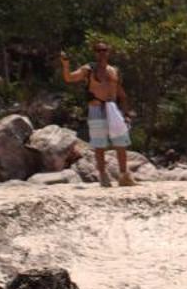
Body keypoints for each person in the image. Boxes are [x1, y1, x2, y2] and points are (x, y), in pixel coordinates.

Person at [58, 41, 136, 187]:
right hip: (96, 107)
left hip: (113, 108)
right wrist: (65, 64)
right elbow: (69, 78)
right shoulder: (89, 69)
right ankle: (103, 175)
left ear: (108, 52)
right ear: (95, 52)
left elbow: (120, 93)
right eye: (99, 50)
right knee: (99, 144)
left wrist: (126, 112)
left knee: (121, 142)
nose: (102, 53)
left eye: (104, 50)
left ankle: (124, 175)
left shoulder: (113, 70)